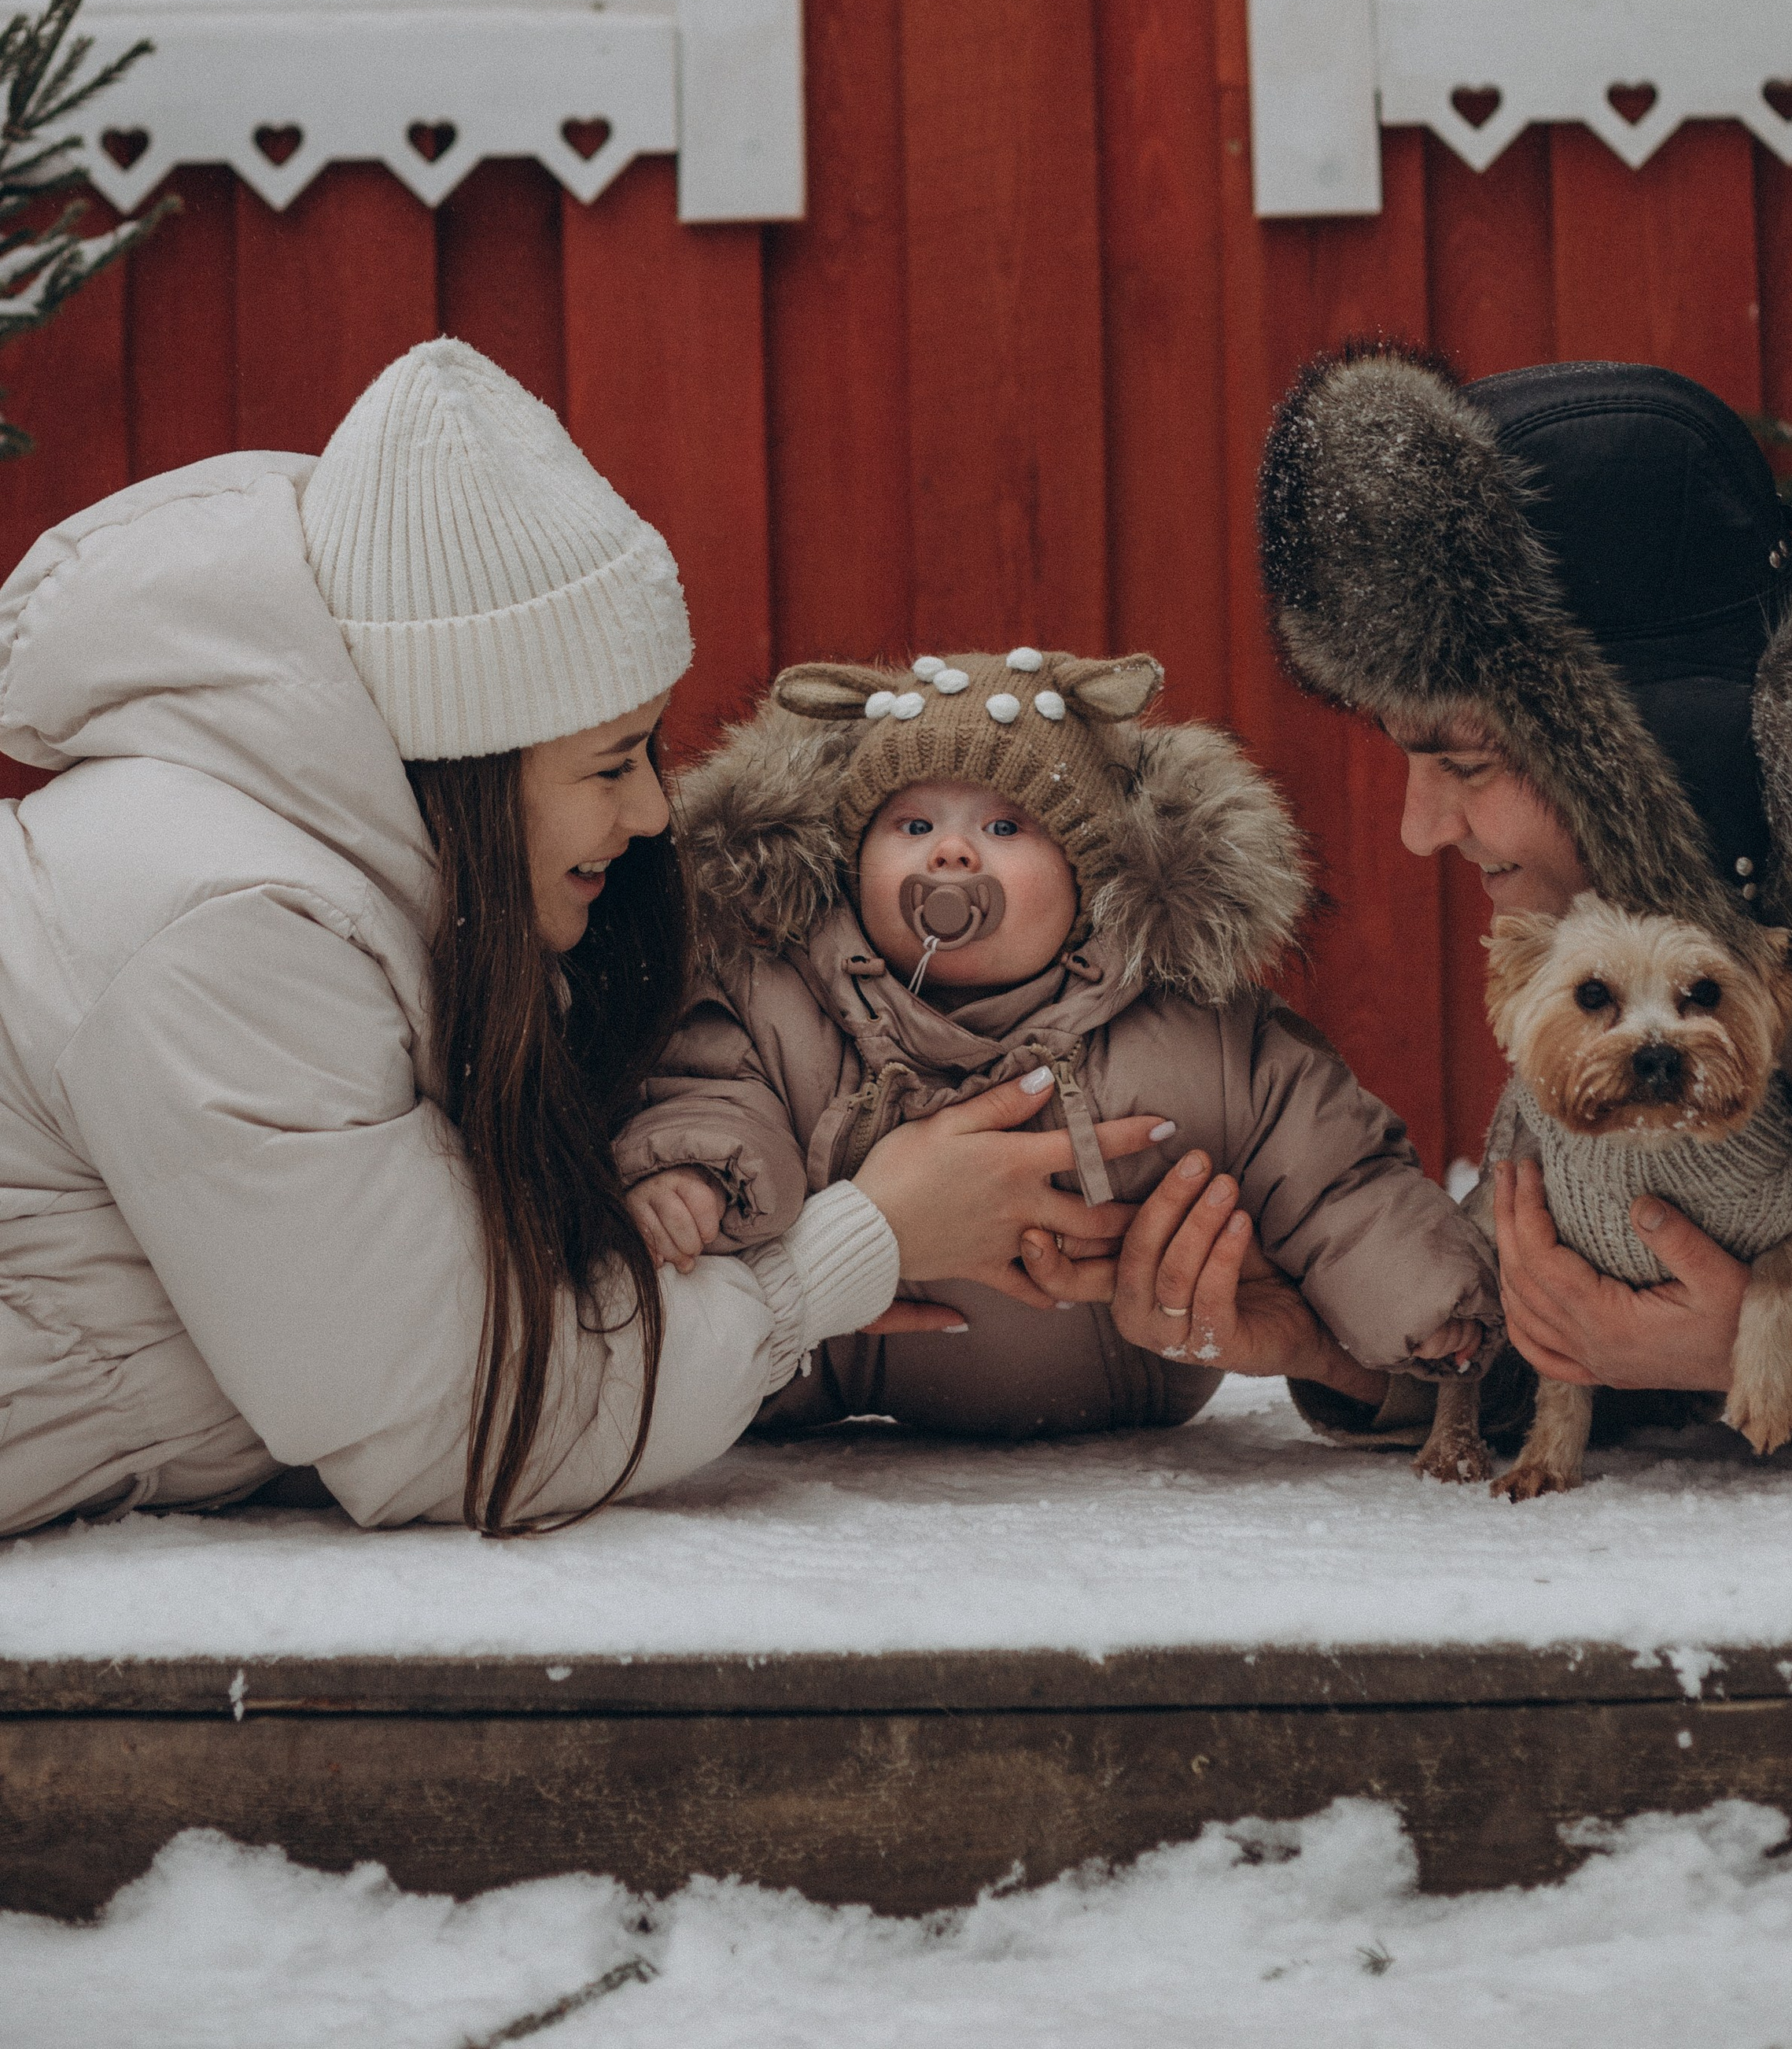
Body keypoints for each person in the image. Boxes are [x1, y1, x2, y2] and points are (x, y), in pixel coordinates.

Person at [0, 342, 1157, 1538]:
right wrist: (857, 1245)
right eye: (610, 762)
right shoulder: (225, 934)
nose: (654, 810)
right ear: (467, 760)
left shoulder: (335, 894)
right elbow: (461, 1423)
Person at [1254, 341, 1792, 1479]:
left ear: (1653, 746)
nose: (1418, 828)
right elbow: (1625, 1329)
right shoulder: (1698, 890)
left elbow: (1728, 1344)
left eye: (1463, 758)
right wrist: (1350, 1347)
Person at [612, 641, 1495, 1437]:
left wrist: (1419, 1297)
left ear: (1090, 871)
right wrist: (697, 1176)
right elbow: (709, 1089)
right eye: (913, 826)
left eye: (1004, 827)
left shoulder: (1193, 1033)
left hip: (1126, 1398)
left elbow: (1331, 1170)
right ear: (850, 864)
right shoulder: (777, 1005)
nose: (952, 854)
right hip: (822, 1391)